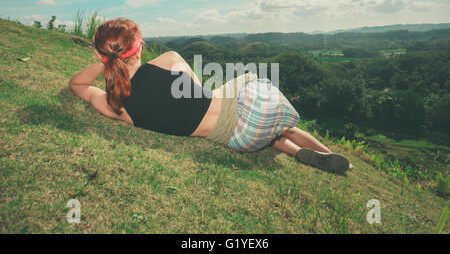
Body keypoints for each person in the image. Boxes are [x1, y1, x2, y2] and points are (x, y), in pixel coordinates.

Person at [68, 18, 352, 175]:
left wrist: (106, 61)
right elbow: (197, 92)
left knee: (266, 133)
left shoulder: (116, 106)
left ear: (101, 55)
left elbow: (77, 86)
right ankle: (333, 158)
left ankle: (297, 152)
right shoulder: (168, 58)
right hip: (254, 110)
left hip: (239, 140)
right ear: (139, 48)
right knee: (280, 121)